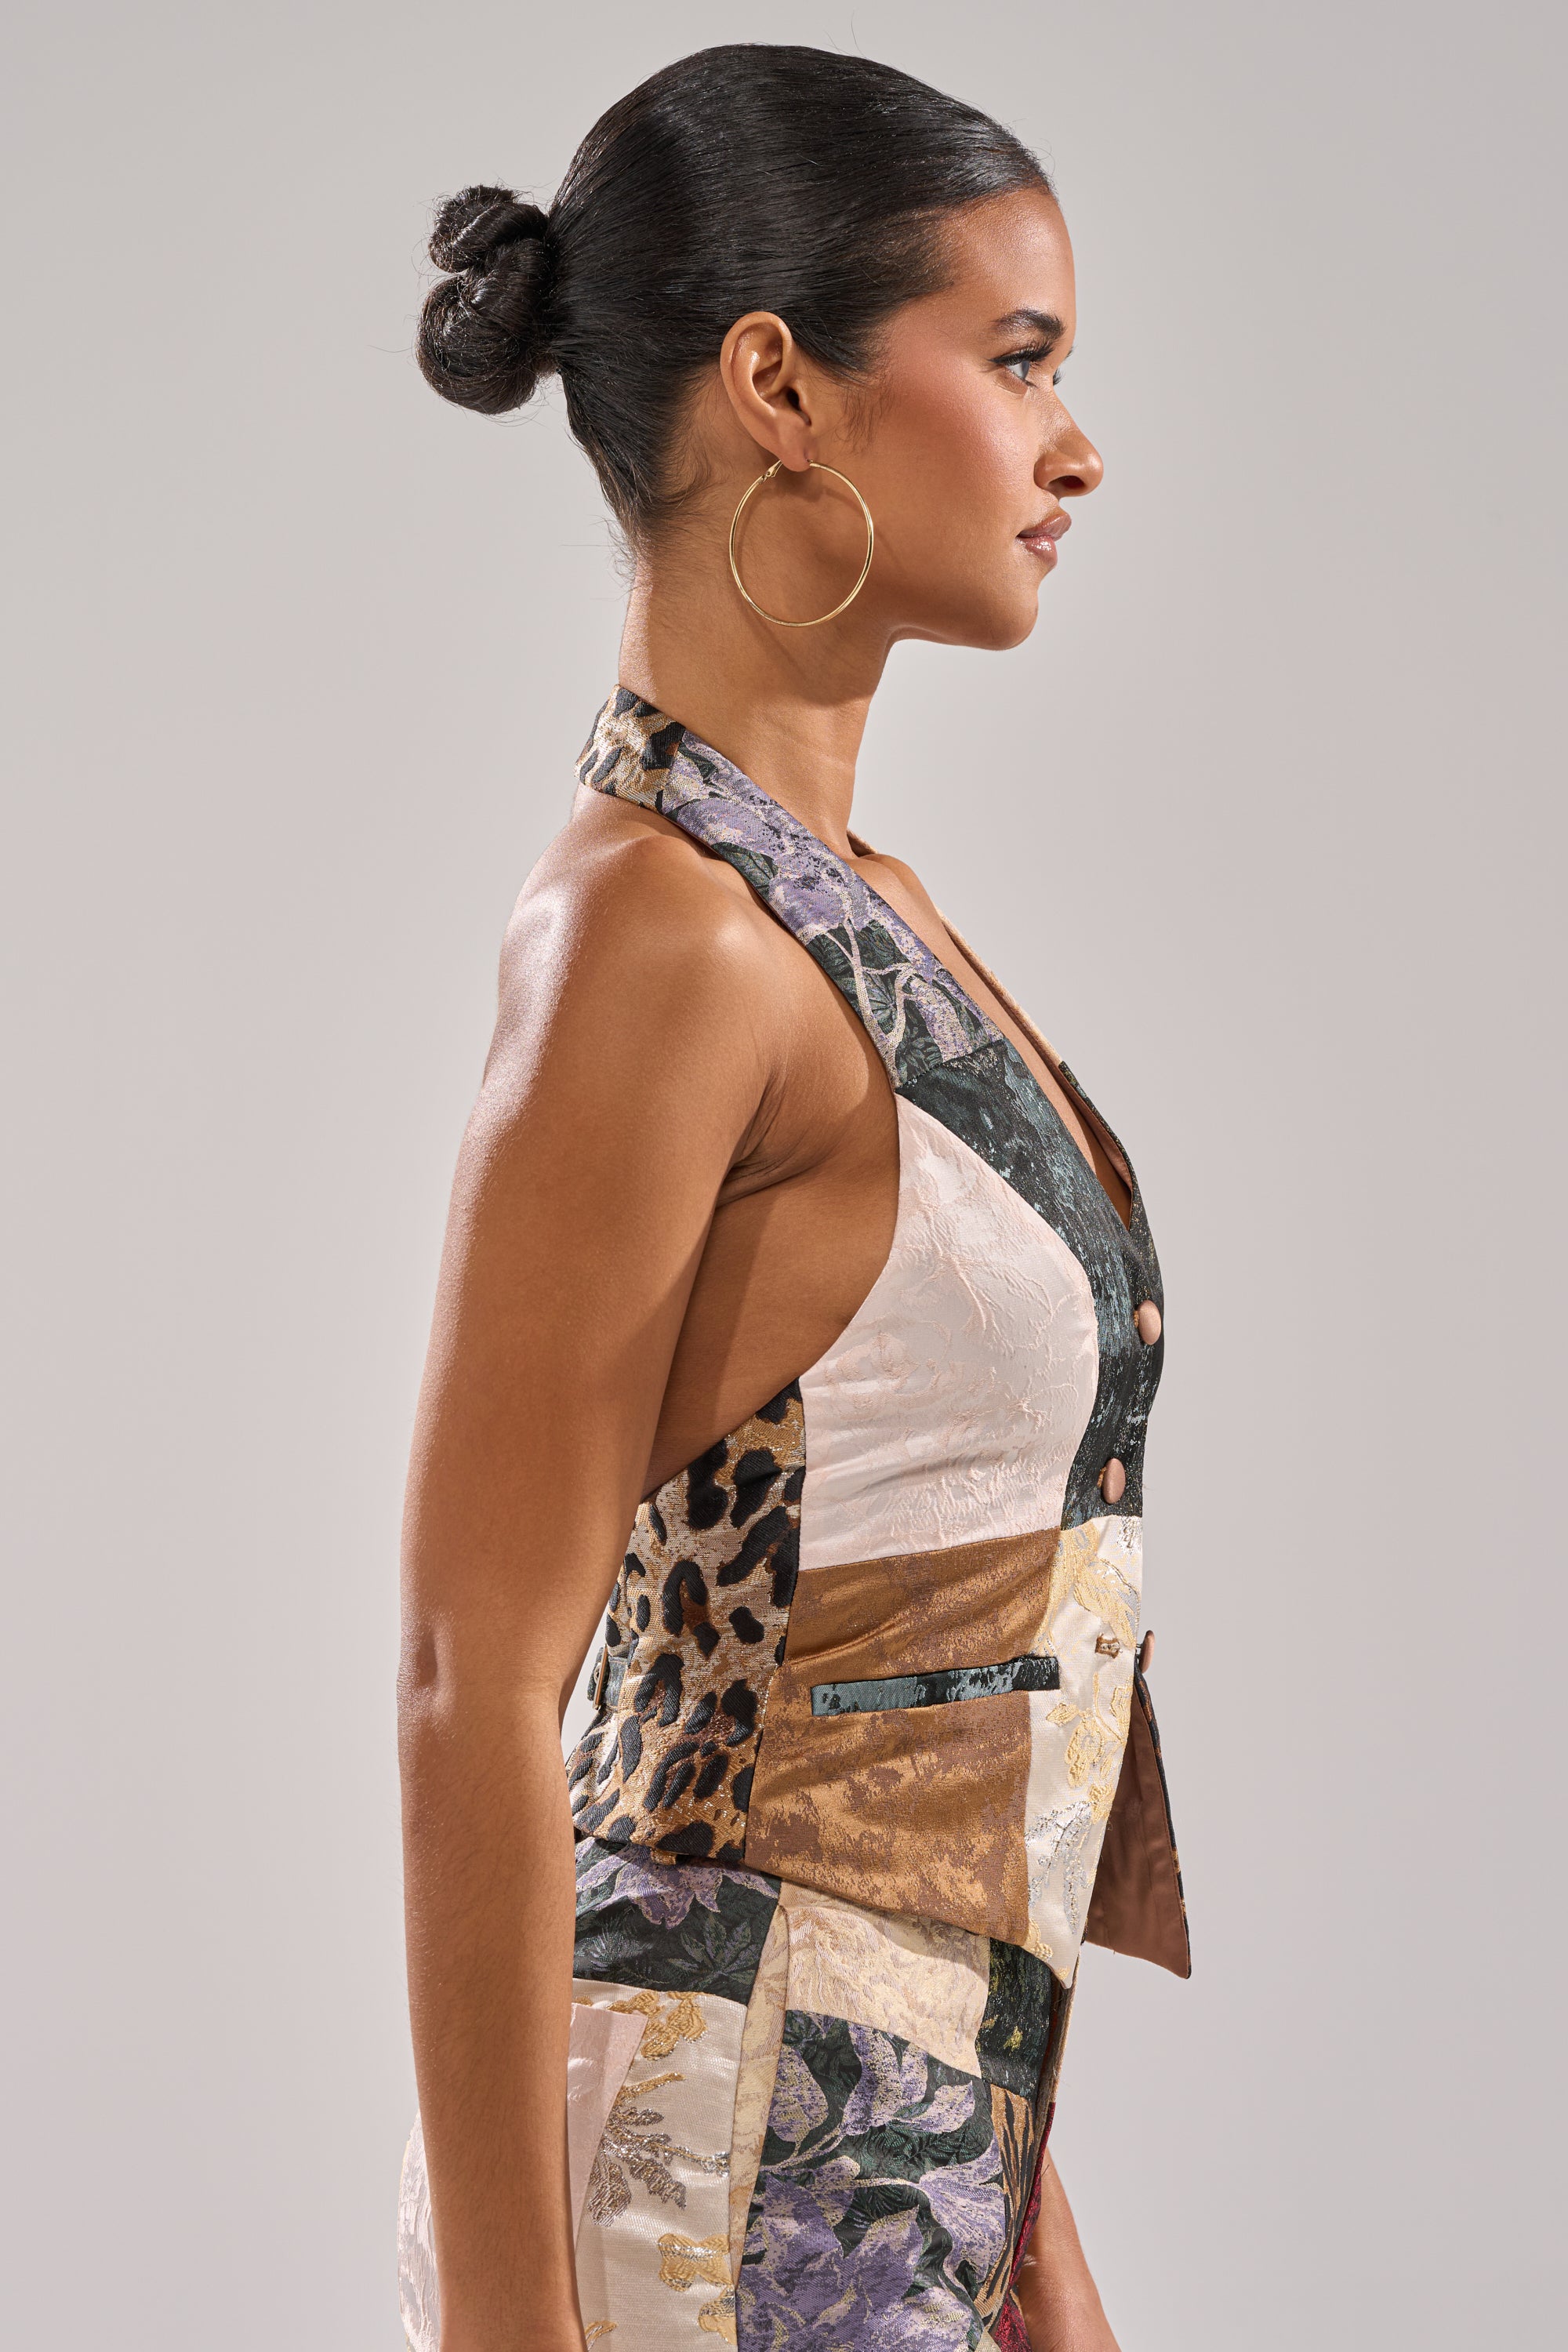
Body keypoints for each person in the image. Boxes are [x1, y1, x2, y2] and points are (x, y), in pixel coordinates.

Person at [396, 43, 1189, 2352]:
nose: (1076, 444)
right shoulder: (654, 931)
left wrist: (1032, 2249)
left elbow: (891, 1708)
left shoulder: (862, 917)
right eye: (1017, 356)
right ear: (780, 387)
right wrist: (507, 2339)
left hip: (887, 2166)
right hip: (694, 2198)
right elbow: (473, 1675)